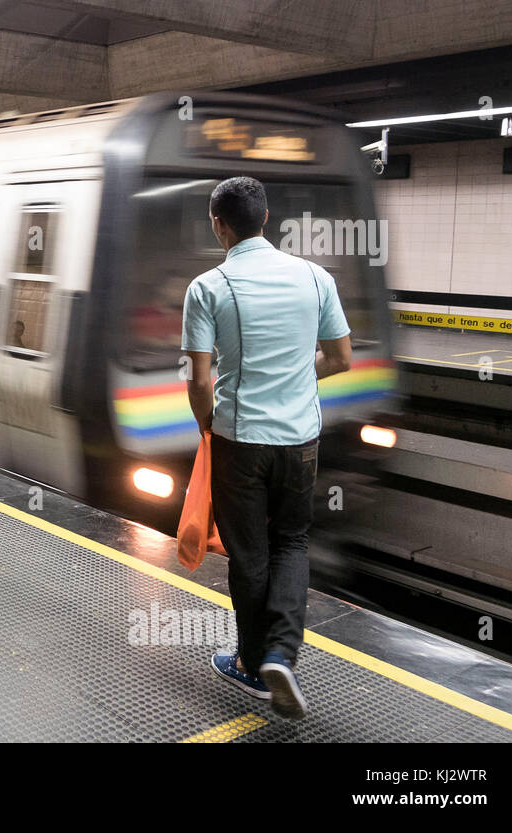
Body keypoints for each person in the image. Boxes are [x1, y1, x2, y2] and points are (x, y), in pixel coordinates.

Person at [182, 176, 352, 720]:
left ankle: (252, 664)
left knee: (250, 553)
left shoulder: (207, 288)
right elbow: (342, 358)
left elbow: (197, 377)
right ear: (267, 217)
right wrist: (299, 380)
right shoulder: (315, 277)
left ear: (219, 224)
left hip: (240, 440)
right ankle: (282, 652)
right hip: (300, 440)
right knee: (292, 543)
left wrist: (209, 424)